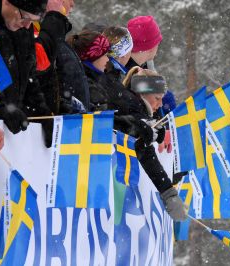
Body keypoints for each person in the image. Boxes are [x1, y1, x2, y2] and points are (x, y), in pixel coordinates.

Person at [0, 0, 67, 147]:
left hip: (4, 132)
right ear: (7, 2)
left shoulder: (23, 29)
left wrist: (42, 114)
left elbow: (29, 77)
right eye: (25, 18)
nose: (27, 25)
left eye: (33, 21)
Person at [120, 68, 187, 221]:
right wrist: (168, 193)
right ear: (142, 93)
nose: (160, 104)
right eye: (157, 98)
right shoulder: (130, 108)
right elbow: (145, 153)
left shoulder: (140, 111)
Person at [67, 30, 110, 111]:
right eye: (105, 55)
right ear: (92, 57)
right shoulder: (88, 86)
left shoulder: (90, 80)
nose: (108, 59)